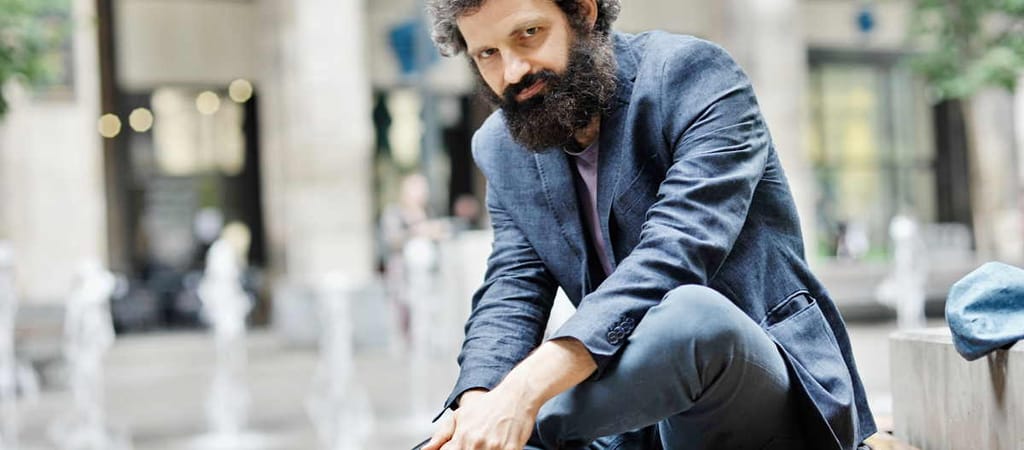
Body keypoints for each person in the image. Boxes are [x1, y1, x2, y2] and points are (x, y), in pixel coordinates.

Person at [421, 0, 881, 448]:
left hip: (763, 389)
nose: (512, 71)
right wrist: (477, 404)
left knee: (693, 315)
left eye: (529, 33)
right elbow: (511, 291)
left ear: (582, 12)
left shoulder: (691, 75)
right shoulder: (501, 147)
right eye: (488, 53)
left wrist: (522, 397)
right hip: (629, 418)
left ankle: (540, 431)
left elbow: (674, 256)